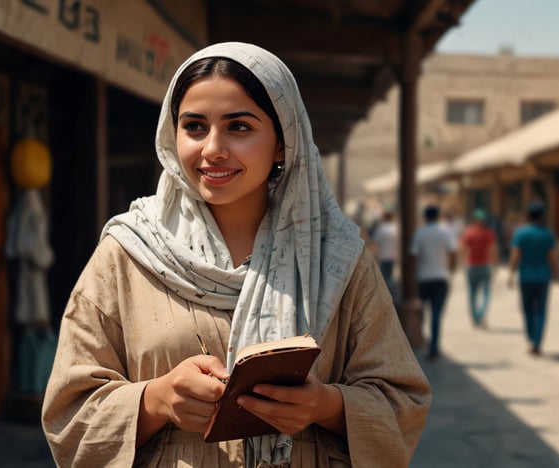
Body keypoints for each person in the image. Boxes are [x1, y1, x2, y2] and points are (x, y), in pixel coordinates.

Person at [41, 42, 431, 467]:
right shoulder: (127, 252)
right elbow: (67, 413)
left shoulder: (337, 258)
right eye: (193, 126)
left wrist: (328, 406)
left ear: (283, 143)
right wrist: (156, 400)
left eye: (239, 127)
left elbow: (403, 402)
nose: (212, 149)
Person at [507, 201, 558, 356]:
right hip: (543, 277)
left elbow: (515, 256)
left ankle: (531, 336)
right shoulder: (547, 234)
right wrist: (555, 272)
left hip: (526, 278)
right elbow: (552, 257)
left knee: (528, 309)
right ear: (542, 216)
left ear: (528, 215)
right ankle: (537, 342)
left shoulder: (521, 233)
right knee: (541, 310)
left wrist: (511, 274)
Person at [410, 205, 457, 361]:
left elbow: (414, 257)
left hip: (423, 277)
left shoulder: (420, 233)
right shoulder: (444, 233)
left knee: (421, 312)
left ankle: (423, 339)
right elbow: (453, 253)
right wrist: (450, 269)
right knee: (436, 313)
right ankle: (434, 348)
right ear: (437, 217)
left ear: (425, 217)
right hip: (440, 277)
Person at [459, 208, 498, 328]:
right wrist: (495, 264)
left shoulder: (468, 232)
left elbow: (462, 249)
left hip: (471, 265)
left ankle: (475, 318)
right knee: (486, 293)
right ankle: (481, 315)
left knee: (472, 293)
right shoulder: (489, 233)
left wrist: (462, 263)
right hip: (485, 266)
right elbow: (493, 250)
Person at [370, 209, 397, 290]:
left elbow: (375, 241)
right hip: (392, 255)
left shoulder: (381, 228)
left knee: (384, 277)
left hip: (383, 255)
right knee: (390, 276)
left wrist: (374, 254)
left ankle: (386, 292)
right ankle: (391, 292)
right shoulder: (395, 228)